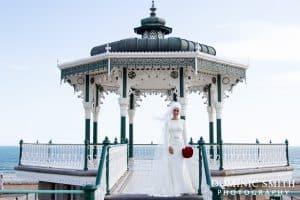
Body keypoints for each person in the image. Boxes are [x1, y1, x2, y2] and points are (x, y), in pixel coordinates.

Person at [164, 102, 195, 196]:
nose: (176, 112)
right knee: (173, 167)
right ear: (172, 111)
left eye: (177, 110)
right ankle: (174, 188)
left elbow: (185, 135)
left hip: (181, 147)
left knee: (181, 167)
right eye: (174, 110)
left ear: (179, 111)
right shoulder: (168, 122)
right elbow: (166, 136)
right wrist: (168, 146)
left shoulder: (182, 122)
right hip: (172, 146)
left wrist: (187, 147)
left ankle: (182, 187)